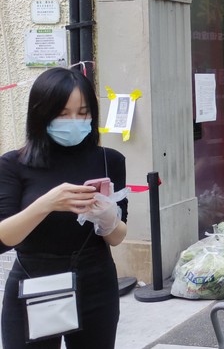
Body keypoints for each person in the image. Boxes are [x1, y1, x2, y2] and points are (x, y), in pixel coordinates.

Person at [0, 67, 128, 348]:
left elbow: (117, 238)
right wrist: (47, 203)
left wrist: (107, 217)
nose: (75, 121)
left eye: (83, 113)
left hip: (96, 282)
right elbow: (4, 239)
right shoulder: (13, 164)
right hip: (34, 281)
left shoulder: (110, 160)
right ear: (41, 114)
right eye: (63, 113)